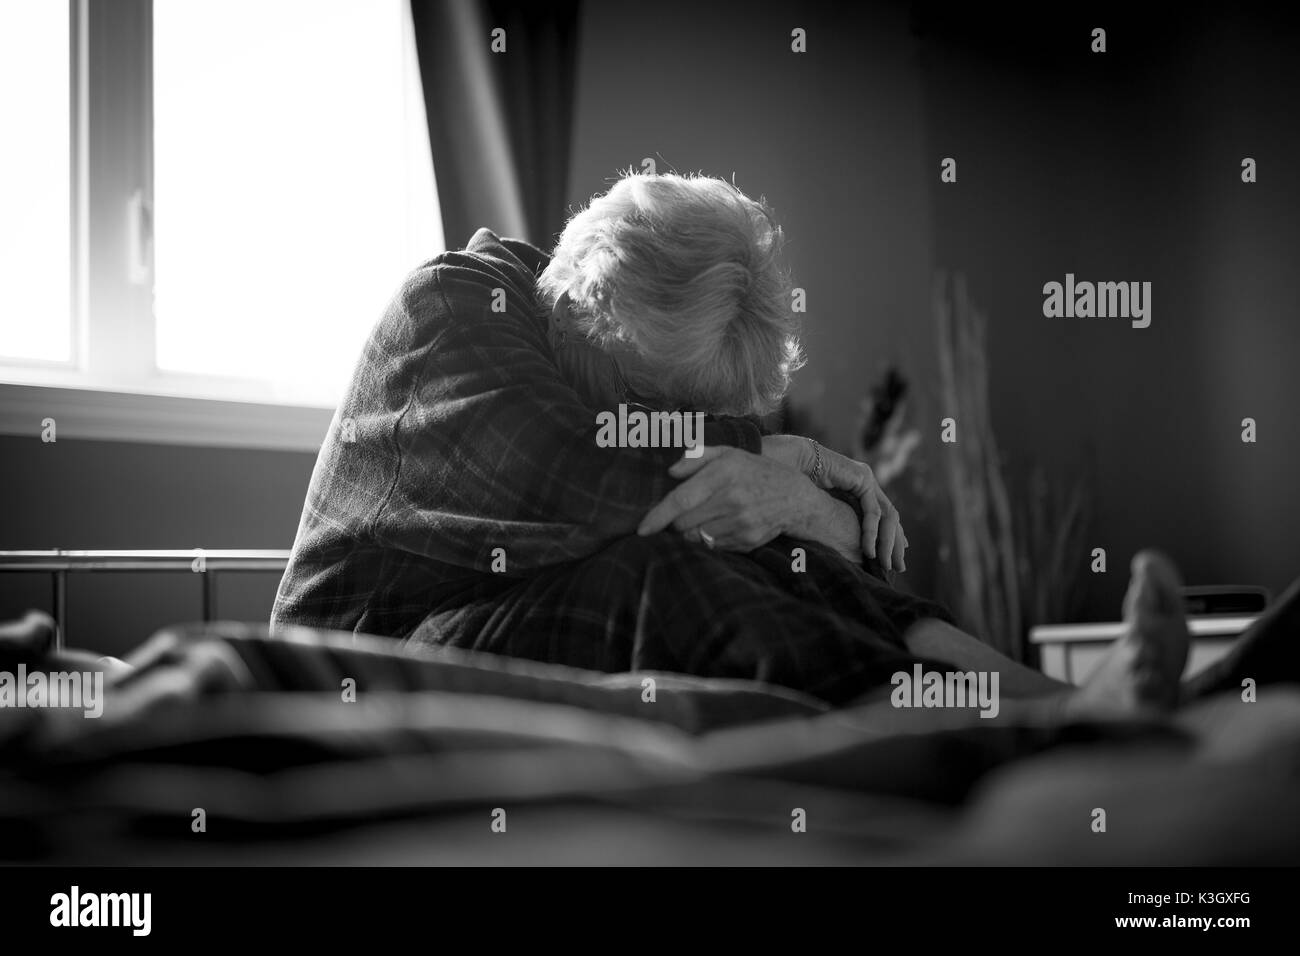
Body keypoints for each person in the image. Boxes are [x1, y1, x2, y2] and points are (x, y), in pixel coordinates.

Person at [266, 171, 1292, 714]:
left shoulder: (607, 358)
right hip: (369, 652)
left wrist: (797, 503)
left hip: (507, 602)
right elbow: (606, 478)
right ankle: (1056, 724)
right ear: (591, 317)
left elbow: (710, 482)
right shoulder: (445, 311)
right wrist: (797, 475)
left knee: (772, 552)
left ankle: (1075, 702)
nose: (691, 435)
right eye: (658, 404)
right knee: (673, 570)